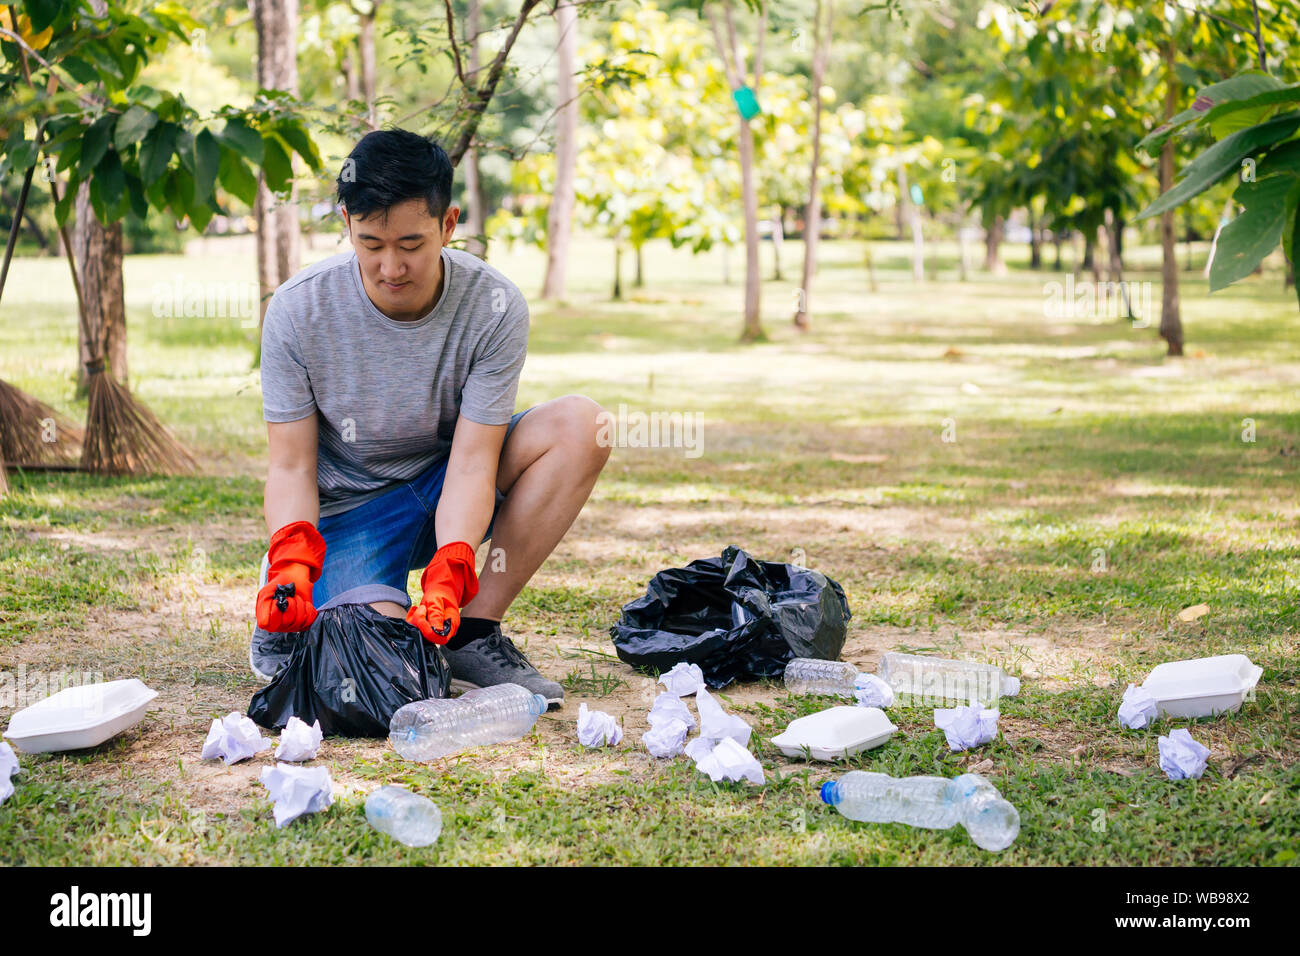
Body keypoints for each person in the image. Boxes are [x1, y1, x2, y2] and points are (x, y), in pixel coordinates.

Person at [250, 129, 611, 707]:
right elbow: (291, 467)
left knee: (582, 425)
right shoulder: (298, 309)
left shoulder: (493, 306)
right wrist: (292, 554)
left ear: (448, 224)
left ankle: (470, 629)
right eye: (370, 243)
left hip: (447, 484)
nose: (390, 266)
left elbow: (473, 463)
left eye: (411, 243)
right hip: (350, 513)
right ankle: (300, 595)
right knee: (390, 672)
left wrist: (453, 563)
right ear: (346, 223)